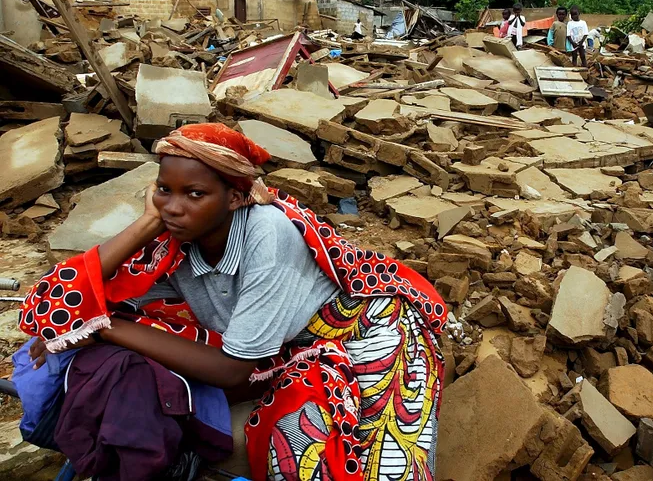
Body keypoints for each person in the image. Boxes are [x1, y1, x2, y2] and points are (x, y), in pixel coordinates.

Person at [17, 123, 446, 481]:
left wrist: (105, 328)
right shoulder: (170, 238)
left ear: (236, 198)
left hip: (369, 333)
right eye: (164, 190)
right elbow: (54, 304)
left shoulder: (267, 234)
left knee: (375, 462)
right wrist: (146, 223)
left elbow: (232, 369)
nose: (173, 208)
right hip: (288, 350)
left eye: (194, 194)